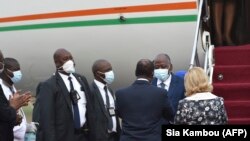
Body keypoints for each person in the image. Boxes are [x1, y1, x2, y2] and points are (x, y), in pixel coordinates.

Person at [36, 48, 94, 141]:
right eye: (65, 59)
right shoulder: (49, 85)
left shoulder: (81, 79)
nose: (70, 61)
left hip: (83, 135)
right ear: (57, 63)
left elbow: (89, 109)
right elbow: (47, 119)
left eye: (71, 58)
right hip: (64, 137)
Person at [115, 59, 174, 141]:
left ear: (136, 72)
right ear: (152, 73)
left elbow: (119, 113)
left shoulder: (120, 93)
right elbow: (170, 115)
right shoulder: (160, 93)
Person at [0, 56, 32, 141]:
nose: (18, 73)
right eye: (15, 70)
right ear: (5, 70)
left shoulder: (10, 85)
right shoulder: (2, 88)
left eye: (19, 69)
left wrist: (21, 102)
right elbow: (5, 114)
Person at [90, 59, 120, 141]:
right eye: (107, 70)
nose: (111, 73)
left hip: (114, 136)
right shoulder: (90, 91)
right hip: (100, 137)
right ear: (98, 73)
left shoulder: (109, 90)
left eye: (111, 69)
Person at [152, 53, 185, 118]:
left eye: (163, 66)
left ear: (170, 67)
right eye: (156, 67)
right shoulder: (150, 84)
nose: (160, 69)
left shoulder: (181, 83)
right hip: (155, 126)